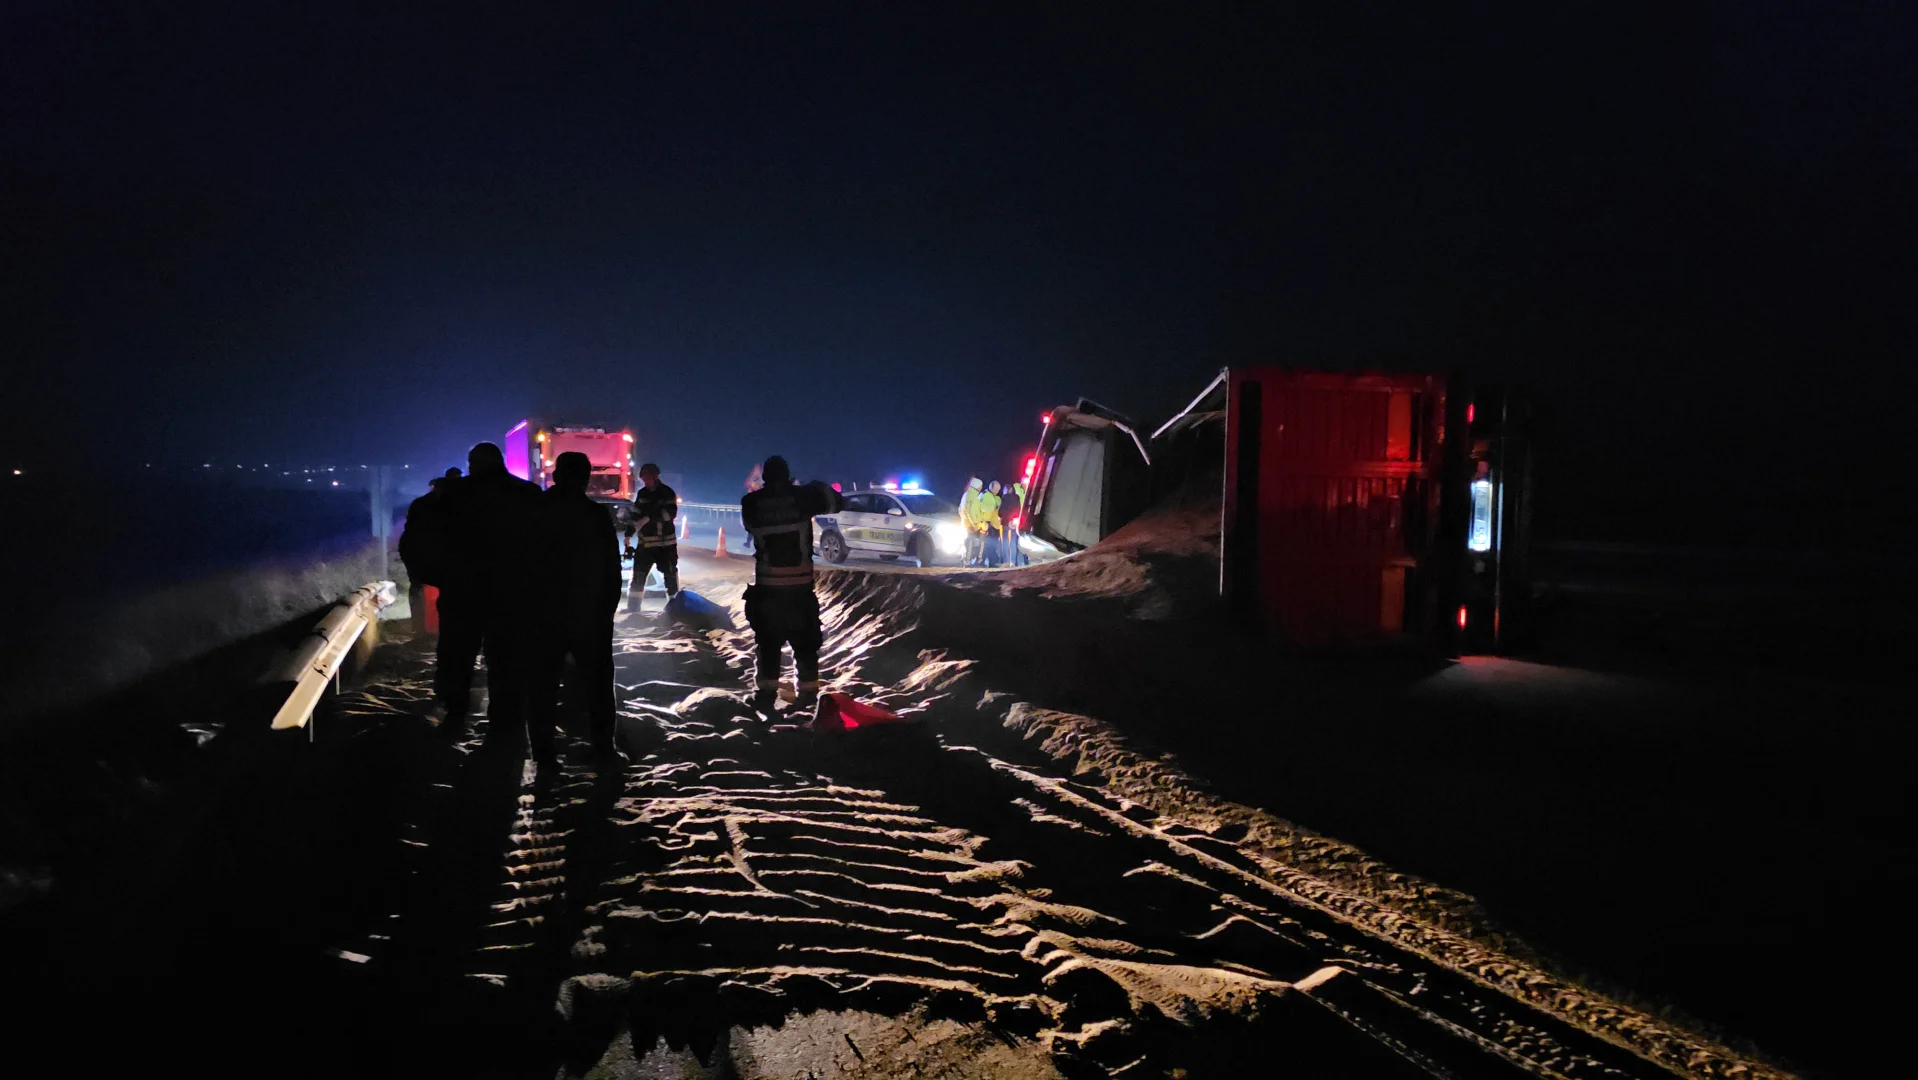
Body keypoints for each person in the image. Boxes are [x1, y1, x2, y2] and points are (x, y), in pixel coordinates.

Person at [436, 442, 542, 753]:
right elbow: (545, 546)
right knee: (507, 660)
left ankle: (455, 716)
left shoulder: (453, 495)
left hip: (462, 594)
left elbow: (428, 539)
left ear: (472, 464)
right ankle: (505, 725)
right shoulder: (527, 495)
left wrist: (438, 576)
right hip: (512, 596)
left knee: (457, 657)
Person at [529, 452, 622, 771]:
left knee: (541, 685)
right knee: (597, 685)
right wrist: (606, 610)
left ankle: (543, 754)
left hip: (542, 614)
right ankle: (603, 749)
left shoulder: (535, 510)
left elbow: (517, 565)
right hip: (589, 614)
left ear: (555, 476)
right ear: (585, 478)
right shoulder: (595, 515)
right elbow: (612, 569)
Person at [739, 455, 843, 710]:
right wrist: (811, 486)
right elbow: (836, 502)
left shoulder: (751, 502)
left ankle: (765, 698)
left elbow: (751, 525)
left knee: (768, 645)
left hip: (767, 590)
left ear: (765, 478)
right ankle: (807, 698)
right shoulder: (802, 498)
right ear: (787, 476)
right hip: (799, 590)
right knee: (805, 646)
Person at [398, 467, 461, 634]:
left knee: (420, 587)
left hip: (417, 551)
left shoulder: (423, 503)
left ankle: (421, 628)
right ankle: (430, 628)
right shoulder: (454, 503)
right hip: (423, 552)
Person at [626, 463, 679, 606]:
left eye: (648, 478)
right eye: (643, 479)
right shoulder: (642, 493)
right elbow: (636, 514)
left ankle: (675, 609)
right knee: (638, 577)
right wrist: (629, 533)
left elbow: (670, 514)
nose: (645, 481)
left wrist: (650, 517)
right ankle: (633, 610)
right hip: (645, 545)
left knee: (670, 577)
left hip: (665, 546)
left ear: (655, 477)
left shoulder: (667, 493)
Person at [958, 477, 985, 566]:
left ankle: (965, 560)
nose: (981, 488)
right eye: (980, 486)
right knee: (970, 543)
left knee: (967, 542)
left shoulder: (966, 494)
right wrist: (975, 523)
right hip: (971, 524)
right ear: (977, 486)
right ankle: (967, 561)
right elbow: (971, 512)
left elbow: (960, 509)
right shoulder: (973, 496)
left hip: (965, 523)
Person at [978, 480, 1003, 567]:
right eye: (996, 489)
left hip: (995, 525)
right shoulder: (984, 495)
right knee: (986, 544)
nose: (997, 491)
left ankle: (990, 561)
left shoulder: (996, 497)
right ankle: (984, 561)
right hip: (986, 523)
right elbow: (979, 507)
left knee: (992, 544)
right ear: (991, 487)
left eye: (998, 490)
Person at [1001, 478, 1025, 567]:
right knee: (1013, 542)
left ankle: (1007, 561)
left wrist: (1003, 517)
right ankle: (1013, 562)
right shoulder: (1017, 497)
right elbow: (1019, 509)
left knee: (1006, 542)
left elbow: (1001, 511)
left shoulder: (1004, 497)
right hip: (1014, 522)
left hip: (1006, 522)